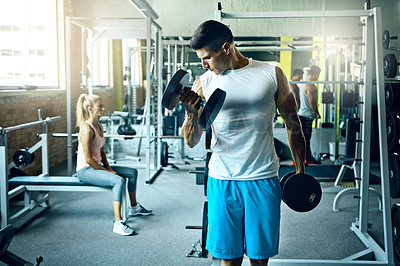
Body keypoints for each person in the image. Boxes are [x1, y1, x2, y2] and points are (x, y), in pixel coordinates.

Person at [180, 20, 305, 266]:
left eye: (207, 58)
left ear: (226, 48)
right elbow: (191, 141)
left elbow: (293, 124)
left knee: (259, 259)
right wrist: (192, 114)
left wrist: (301, 170)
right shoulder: (203, 82)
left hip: (262, 177)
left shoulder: (271, 73)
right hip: (222, 179)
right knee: (228, 258)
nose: (203, 65)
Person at [75, 94, 152, 236]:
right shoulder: (86, 129)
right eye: (100, 106)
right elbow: (88, 159)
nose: (103, 108)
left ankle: (134, 208)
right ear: (90, 109)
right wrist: (109, 173)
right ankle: (118, 223)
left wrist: (109, 168)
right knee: (119, 180)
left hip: (96, 166)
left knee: (132, 172)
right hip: (85, 170)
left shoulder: (98, 126)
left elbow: (102, 152)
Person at [297, 65, 322, 165]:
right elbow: (312, 102)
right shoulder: (311, 85)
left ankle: (304, 157)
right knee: (306, 138)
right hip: (307, 116)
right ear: (316, 74)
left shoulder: (304, 84)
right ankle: (307, 158)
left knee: (304, 138)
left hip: (303, 114)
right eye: (318, 75)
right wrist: (317, 113)